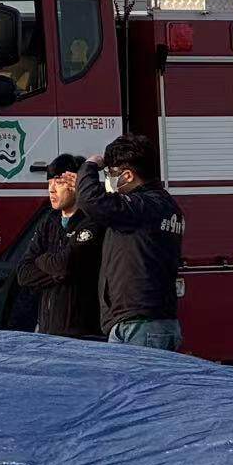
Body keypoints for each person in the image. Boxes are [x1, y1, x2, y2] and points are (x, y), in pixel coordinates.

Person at [76, 132, 185, 350]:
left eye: (109, 173)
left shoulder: (143, 206)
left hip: (140, 325)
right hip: (146, 322)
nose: (107, 178)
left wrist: (89, 166)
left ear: (127, 176)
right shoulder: (164, 205)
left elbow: (89, 199)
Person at [15, 152, 103, 339]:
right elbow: (23, 274)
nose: (52, 189)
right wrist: (58, 270)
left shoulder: (91, 221)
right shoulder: (49, 221)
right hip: (48, 332)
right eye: (49, 183)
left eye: (59, 182)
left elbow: (65, 265)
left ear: (75, 183)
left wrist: (42, 259)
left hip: (83, 334)